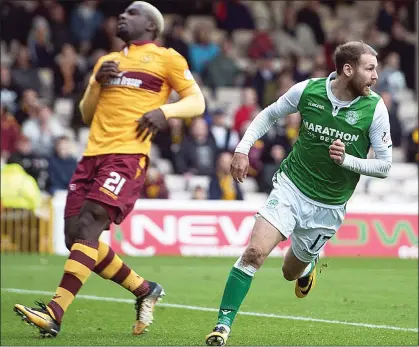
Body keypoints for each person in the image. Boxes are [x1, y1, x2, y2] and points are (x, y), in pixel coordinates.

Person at [14, 1, 205, 338]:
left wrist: (166, 112)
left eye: (132, 13)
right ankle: (145, 289)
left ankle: (54, 312)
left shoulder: (167, 58)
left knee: (88, 226)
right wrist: (95, 84)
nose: (122, 15)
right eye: (123, 12)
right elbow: (87, 114)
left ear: (150, 25)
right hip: (91, 157)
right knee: (76, 238)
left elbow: (197, 101)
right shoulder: (106, 61)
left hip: (127, 156)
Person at [205, 41, 392, 346]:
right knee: (254, 253)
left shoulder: (374, 108)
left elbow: (384, 166)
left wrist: (348, 161)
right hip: (291, 186)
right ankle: (222, 325)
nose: (375, 75)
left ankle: (307, 265)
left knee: (289, 272)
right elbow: (269, 114)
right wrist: (242, 149)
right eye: (370, 68)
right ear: (348, 70)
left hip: (329, 205)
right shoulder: (308, 91)